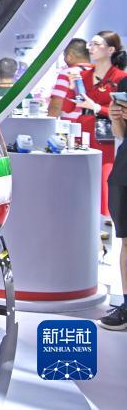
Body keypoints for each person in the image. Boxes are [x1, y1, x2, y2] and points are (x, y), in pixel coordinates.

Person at [78, 32, 127, 219]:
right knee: (82, 177)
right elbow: (69, 106)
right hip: (83, 129)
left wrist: (97, 108)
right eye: (90, 43)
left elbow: (118, 110)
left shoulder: (120, 77)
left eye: (96, 44)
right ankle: (86, 219)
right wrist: (72, 88)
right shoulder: (82, 75)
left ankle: (106, 221)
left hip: (106, 133)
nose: (90, 48)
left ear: (111, 49)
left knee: (105, 178)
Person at [102, 80, 127, 330]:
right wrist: (115, 117)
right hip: (123, 172)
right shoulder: (124, 84)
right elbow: (121, 134)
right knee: (126, 241)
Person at [48, 38, 90, 120]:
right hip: (96, 125)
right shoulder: (99, 72)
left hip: (73, 126)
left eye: (64, 55)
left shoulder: (67, 73)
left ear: (69, 56)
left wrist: (48, 124)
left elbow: (56, 105)